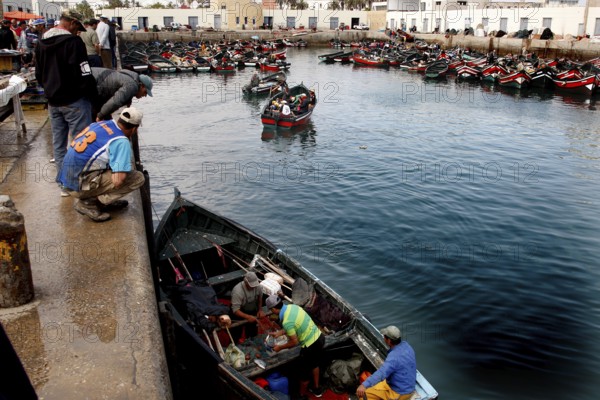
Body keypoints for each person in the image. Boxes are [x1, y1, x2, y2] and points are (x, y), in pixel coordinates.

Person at [35, 11, 98, 197]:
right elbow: (84, 73)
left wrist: (49, 91)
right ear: (71, 23)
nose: (78, 33)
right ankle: (76, 183)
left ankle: (64, 185)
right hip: (75, 101)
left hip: (53, 102)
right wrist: (93, 99)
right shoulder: (73, 43)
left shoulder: (41, 42)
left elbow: (38, 73)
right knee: (81, 143)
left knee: (59, 144)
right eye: (77, 29)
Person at [58, 107, 146, 222]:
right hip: (78, 186)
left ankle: (101, 200)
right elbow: (118, 180)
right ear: (134, 129)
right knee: (137, 178)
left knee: (111, 168)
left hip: (66, 181)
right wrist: (121, 168)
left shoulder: (103, 124)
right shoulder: (121, 141)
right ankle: (92, 203)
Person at [266, 295, 325, 398]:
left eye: (271, 310)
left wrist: (280, 348)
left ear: (274, 309)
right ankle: (316, 389)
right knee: (315, 364)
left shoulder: (286, 321)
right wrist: (280, 332)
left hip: (310, 345)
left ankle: (301, 396)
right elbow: (295, 325)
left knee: (304, 374)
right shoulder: (293, 307)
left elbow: (294, 342)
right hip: (319, 337)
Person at [356, 326, 417, 400]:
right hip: (407, 385)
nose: (383, 338)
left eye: (384, 337)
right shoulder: (407, 346)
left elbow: (381, 373)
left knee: (363, 396)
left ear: (389, 341)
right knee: (375, 386)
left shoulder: (393, 357)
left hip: (399, 393)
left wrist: (364, 385)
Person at [230, 272, 265, 339]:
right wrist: (248, 317)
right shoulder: (237, 291)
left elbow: (260, 298)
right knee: (236, 334)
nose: (254, 287)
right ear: (246, 282)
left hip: (252, 311)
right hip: (239, 313)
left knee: (252, 333)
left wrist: (260, 310)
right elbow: (235, 310)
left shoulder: (259, 287)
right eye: (251, 285)